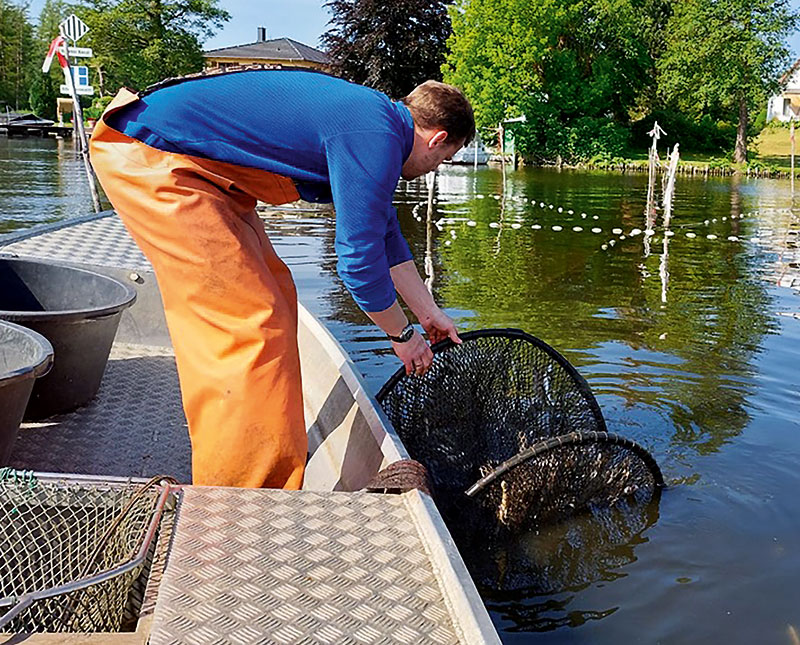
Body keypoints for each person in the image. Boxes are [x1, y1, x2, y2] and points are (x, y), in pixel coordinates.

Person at [89, 67, 475, 490]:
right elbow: (360, 263)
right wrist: (402, 336)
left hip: (207, 174)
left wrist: (428, 313)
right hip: (153, 156)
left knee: (278, 293)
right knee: (250, 323)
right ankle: (242, 495)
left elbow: (385, 236)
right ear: (437, 138)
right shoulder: (376, 135)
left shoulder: (378, 122)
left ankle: (269, 460)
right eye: (444, 158)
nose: (436, 167)